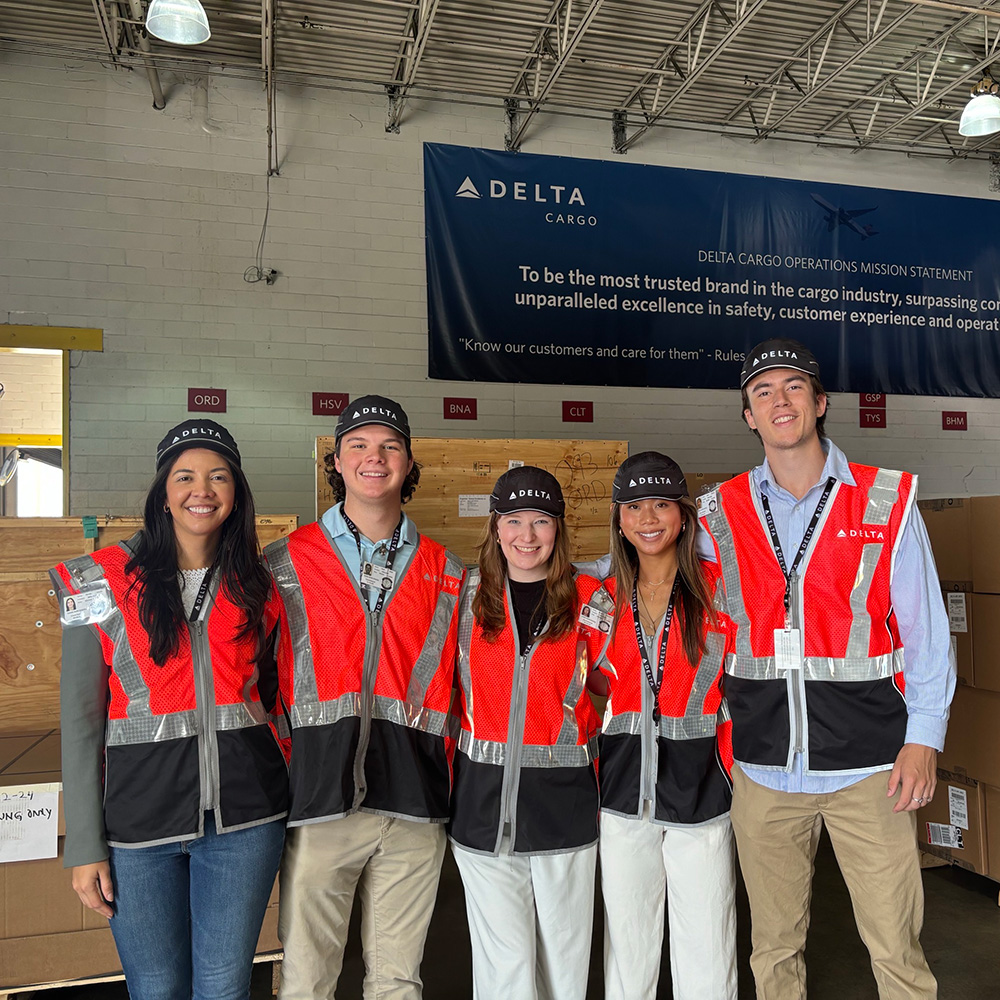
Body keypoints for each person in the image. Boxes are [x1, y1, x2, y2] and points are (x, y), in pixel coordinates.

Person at [698, 338, 955, 999]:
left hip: (871, 769)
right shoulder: (718, 511)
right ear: (748, 416)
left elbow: (928, 635)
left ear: (819, 402)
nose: (779, 401)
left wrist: (924, 738)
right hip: (763, 771)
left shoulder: (884, 501)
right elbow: (656, 580)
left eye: (792, 387)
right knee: (774, 953)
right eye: (762, 392)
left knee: (897, 948)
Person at [52, 419, 288, 1000]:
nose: (201, 490)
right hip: (136, 829)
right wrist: (84, 843)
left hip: (245, 823)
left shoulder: (260, 582)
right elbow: (81, 722)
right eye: (184, 476)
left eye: (218, 477)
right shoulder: (98, 581)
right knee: (154, 988)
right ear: (163, 491)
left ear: (236, 494)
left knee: (224, 986)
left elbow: (280, 699)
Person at [266, 395, 465, 1000]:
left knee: (399, 981)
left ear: (408, 464)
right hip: (318, 802)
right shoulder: (283, 563)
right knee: (305, 979)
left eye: (390, 446)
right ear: (336, 460)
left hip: (414, 802)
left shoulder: (448, 572)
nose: (373, 458)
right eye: (359, 444)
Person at [449, 466, 608, 1000]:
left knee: (565, 963)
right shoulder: (465, 599)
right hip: (481, 812)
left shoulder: (591, 599)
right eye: (514, 520)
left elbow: (618, 687)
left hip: (565, 811)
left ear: (559, 529)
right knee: (503, 971)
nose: (527, 535)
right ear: (496, 528)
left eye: (541, 521)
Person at [589, 452, 737, 1000]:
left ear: (682, 514)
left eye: (660, 505)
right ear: (618, 517)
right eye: (634, 507)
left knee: (707, 948)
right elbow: (590, 689)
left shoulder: (720, 591)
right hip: (623, 799)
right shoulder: (601, 599)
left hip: (702, 796)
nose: (648, 519)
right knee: (628, 952)